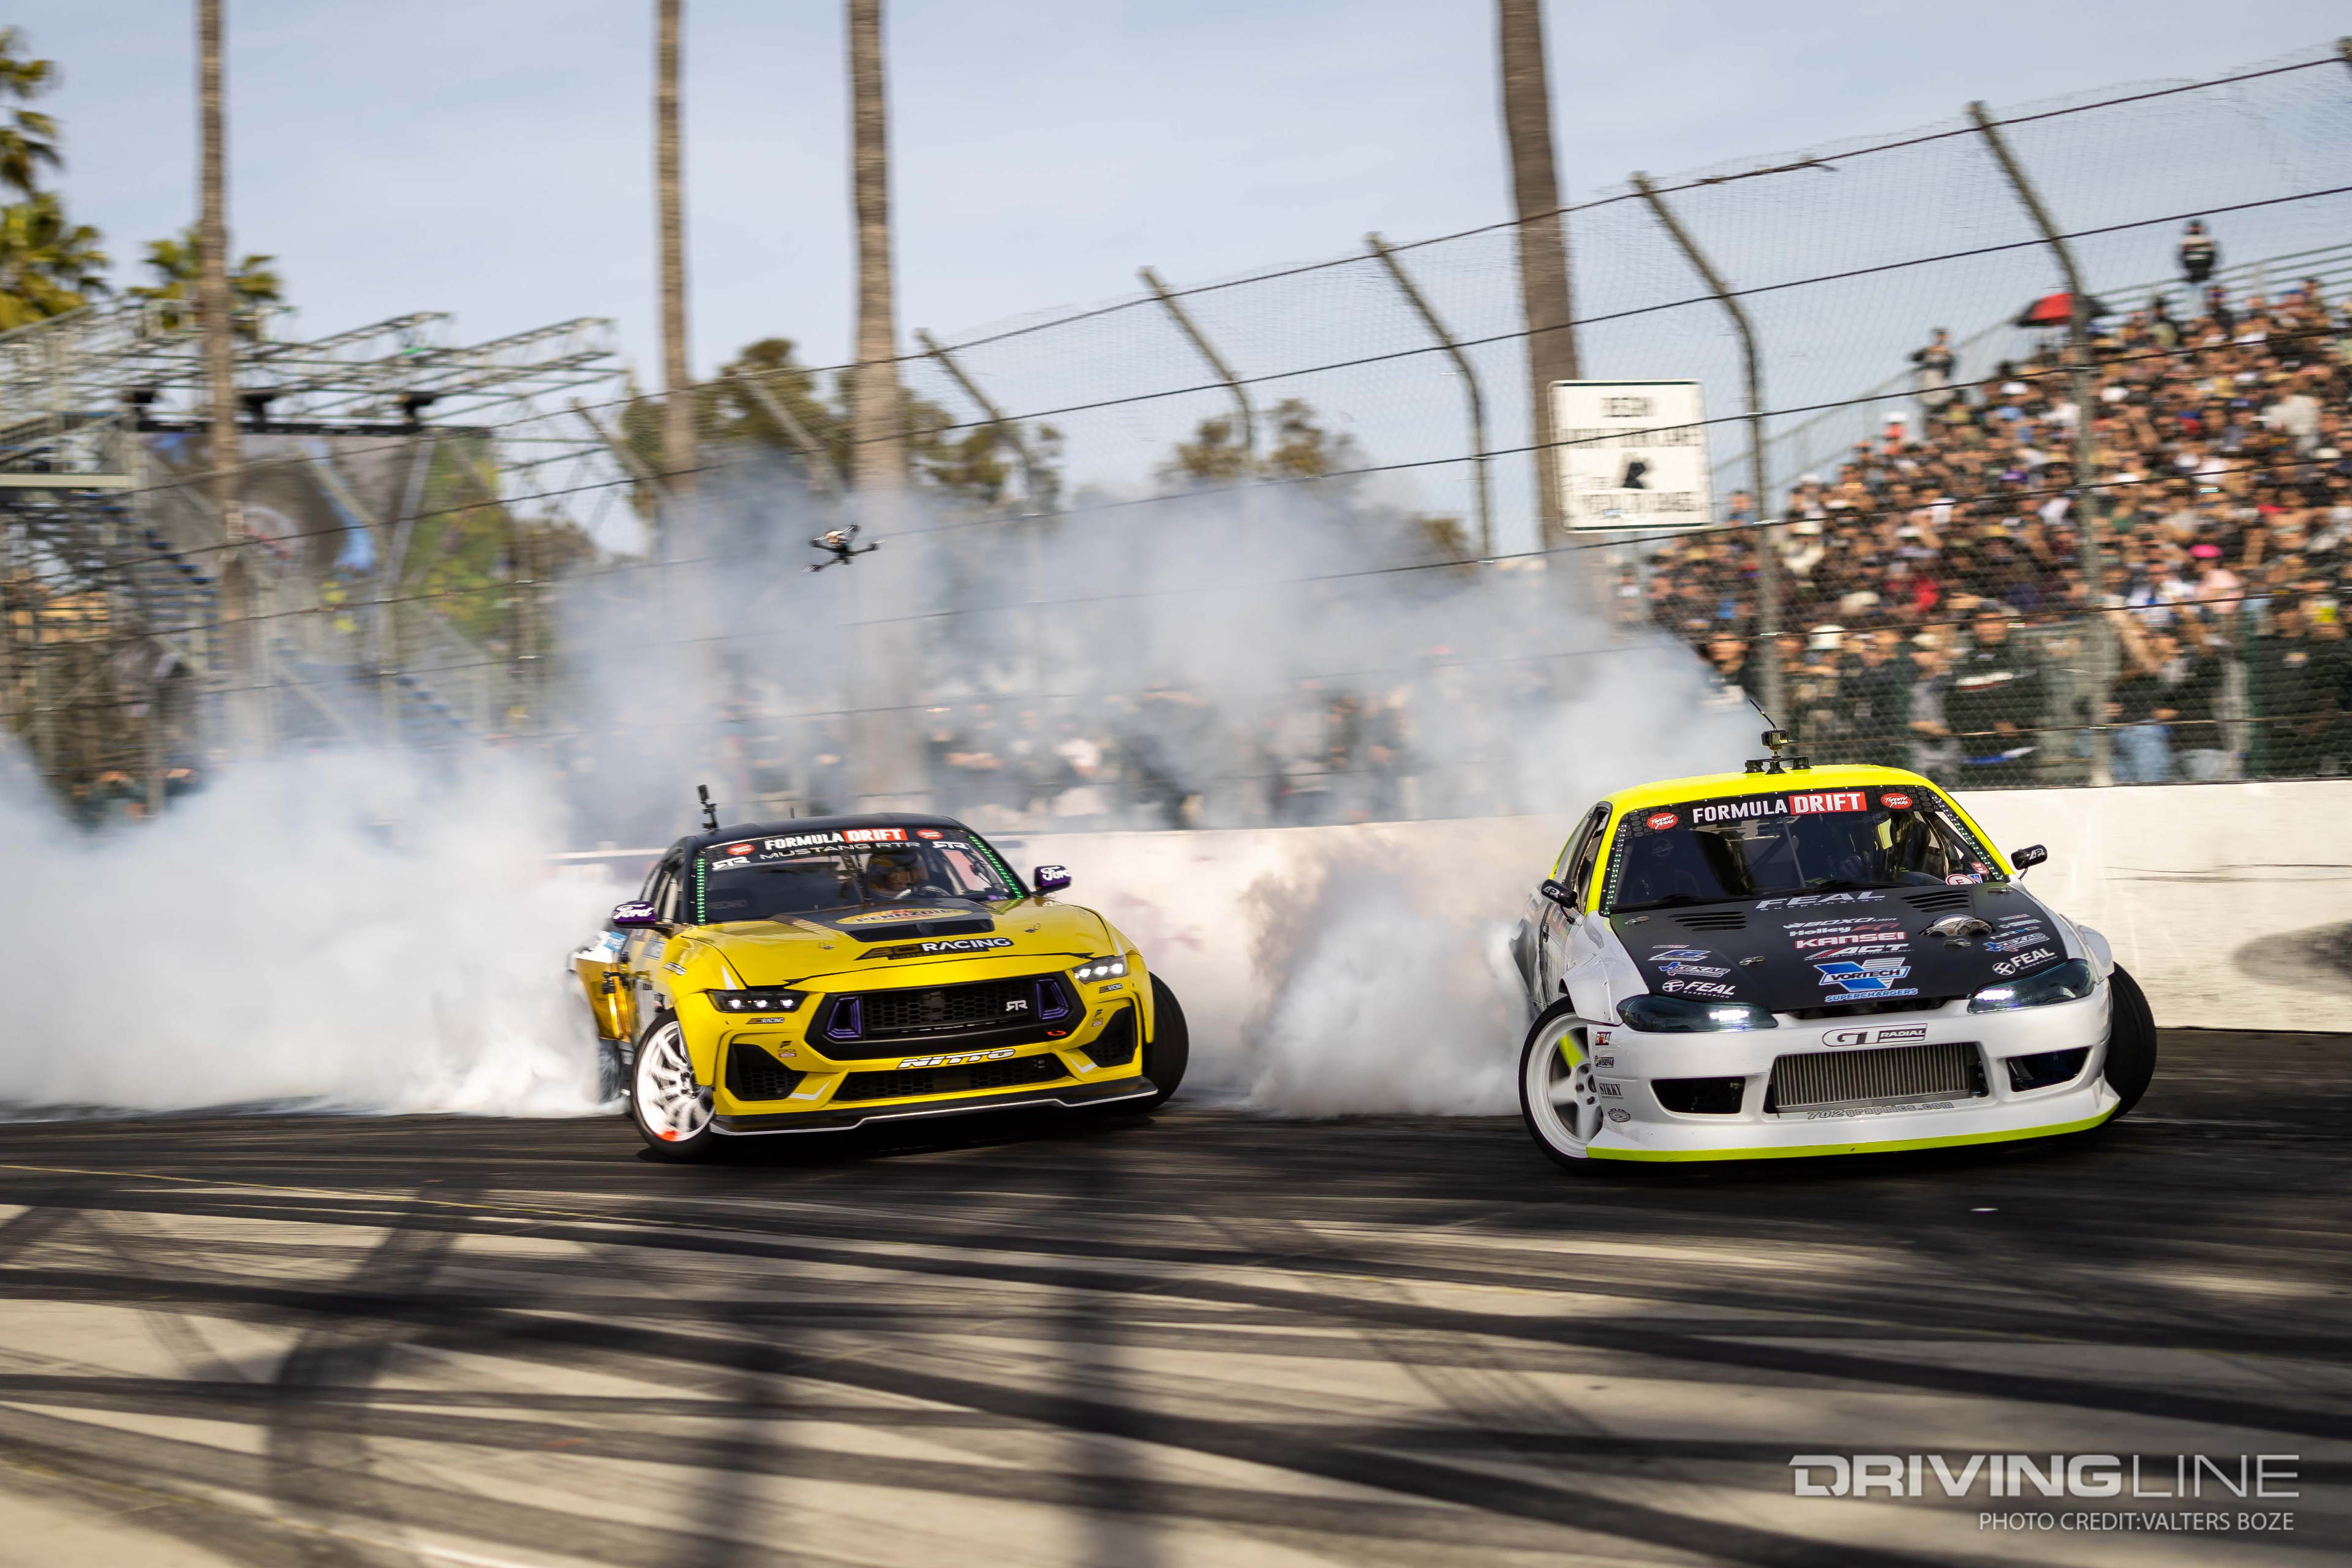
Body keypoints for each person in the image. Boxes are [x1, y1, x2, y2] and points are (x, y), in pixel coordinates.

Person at [1944, 605, 2046, 787]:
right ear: (1974, 627)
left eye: (1995, 622)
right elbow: (1953, 710)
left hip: (2017, 757)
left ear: (2005, 625)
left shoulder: (2024, 660)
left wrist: (2015, 722)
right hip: (1973, 759)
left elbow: (2038, 700)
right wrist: (1992, 724)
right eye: (1983, 622)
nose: (1989, 628)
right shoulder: (1962, 666)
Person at [1910, 328, 1958, 415]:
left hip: (1938, 379)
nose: (1940, 338)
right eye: (1939, 336)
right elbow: (1914, 358)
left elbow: (1949, 369)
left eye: (1943, 336)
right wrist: (1928, 350)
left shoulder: (1949, 352)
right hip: (1926, 380)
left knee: (1942, 398)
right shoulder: (1929, 350)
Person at [2178, 221, 2218, 286]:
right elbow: (2182, 256)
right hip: (2192, 265)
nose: (2196, 229)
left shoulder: (2206, 239)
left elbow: (2212, 254)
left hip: (2205, 264)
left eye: (2197, 227)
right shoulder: (2186, 241)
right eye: (2194, 227)